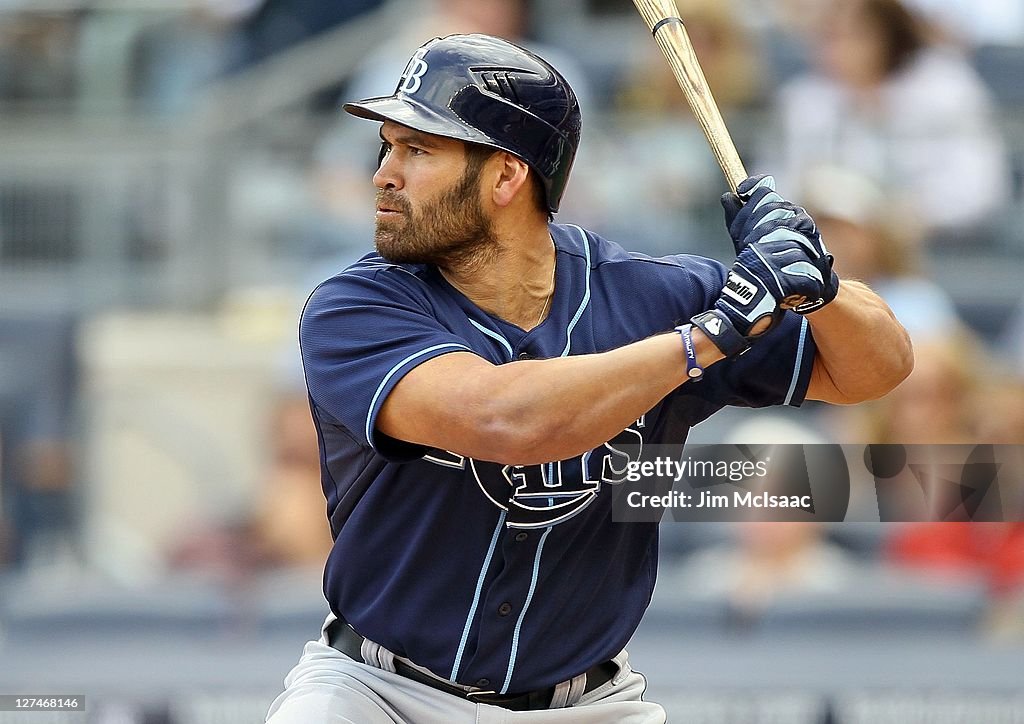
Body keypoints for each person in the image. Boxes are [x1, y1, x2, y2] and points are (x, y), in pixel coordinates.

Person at [266, 34, 912, 723]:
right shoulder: (356, 305)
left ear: (506, 177)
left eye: (417, 150)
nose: (383, 173)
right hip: (380, 691)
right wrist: (705, 340)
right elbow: (504, 421)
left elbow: (879, 367)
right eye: (388, 146)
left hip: (587, 704)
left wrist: (818, 281)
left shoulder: (646, 294)